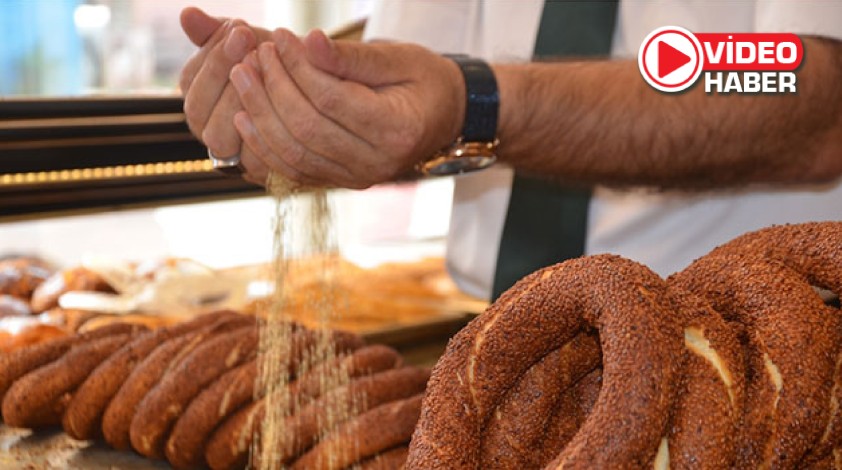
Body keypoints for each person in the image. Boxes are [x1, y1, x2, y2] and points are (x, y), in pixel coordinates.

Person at [179, 2, 842, 301]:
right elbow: (419, 83)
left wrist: (481, 100)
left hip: (734, 343)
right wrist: (301, 92)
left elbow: (806, 86)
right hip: (491, 333)